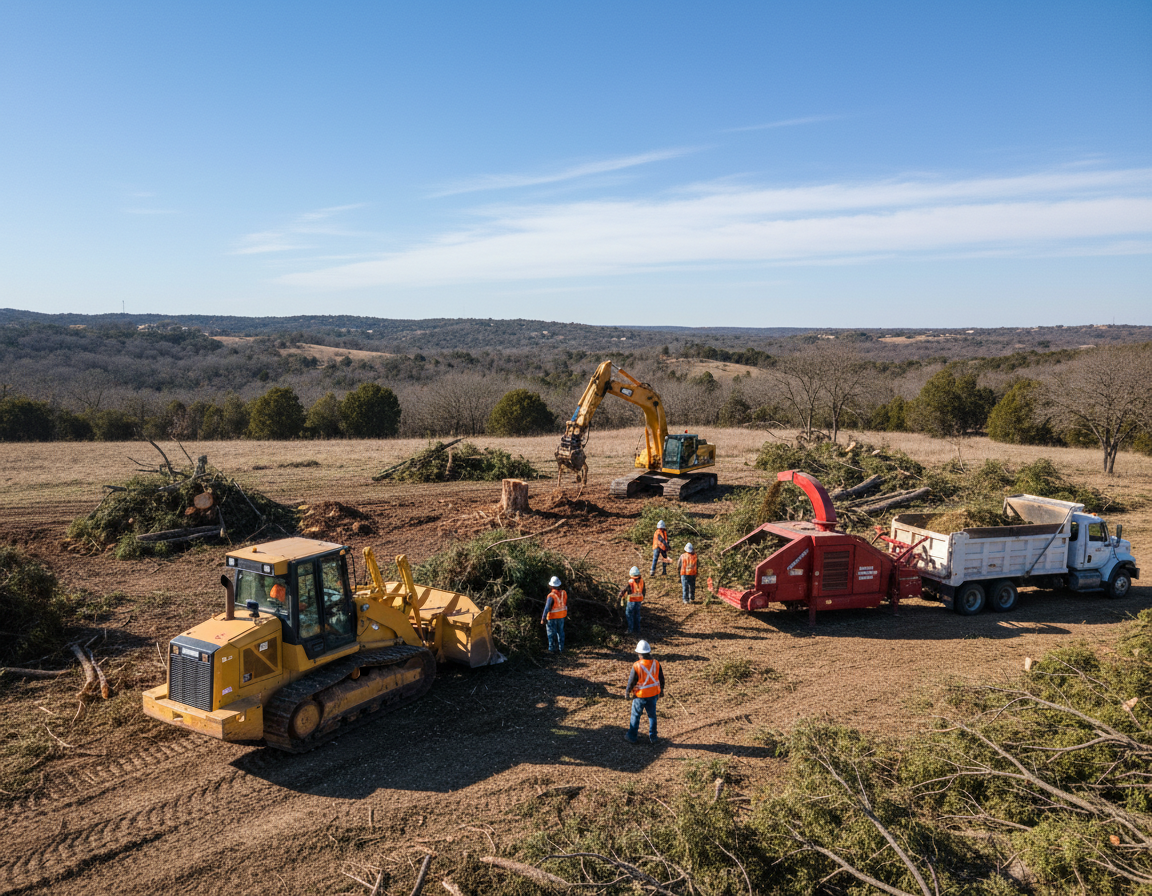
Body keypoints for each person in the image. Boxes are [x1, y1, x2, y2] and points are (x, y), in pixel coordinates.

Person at [625, 640, 664, 744]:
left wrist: (627, 692)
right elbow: (661, 678)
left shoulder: (637, 665)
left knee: (636, 716)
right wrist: (662, 691)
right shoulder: (656, 663)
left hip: (640, 695)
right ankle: (653, 737)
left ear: (639, 654)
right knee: (652, 715)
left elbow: (632, 681)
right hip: (654, 694)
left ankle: (632, 736)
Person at [540, 575, 567, 653]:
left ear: (551, 586)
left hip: (552, 617)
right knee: (560, 632)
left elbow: (547, 607)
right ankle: (561, 649)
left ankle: (552, 650)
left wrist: (543, 618)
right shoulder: (564, 593)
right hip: (562, 615)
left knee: (551, 634)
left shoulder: (551, 596)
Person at [617, 566, 645, 634]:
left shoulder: (631, 581)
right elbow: (644, 591)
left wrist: (620, 594)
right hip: (639, 601)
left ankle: (630, 629)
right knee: (637, 614)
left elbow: (625, 589)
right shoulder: (642, 581)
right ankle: (637, 629)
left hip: (631, 601)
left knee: (629, 614)